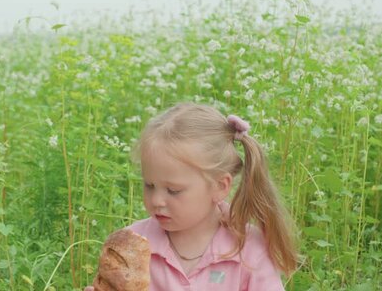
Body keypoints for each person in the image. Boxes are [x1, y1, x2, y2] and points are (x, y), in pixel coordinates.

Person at [86, 103, 297, 290]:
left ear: (219, 187)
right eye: (149, 185)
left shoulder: (249, 250)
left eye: (173, 191)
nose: (157, 200)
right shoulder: (131, 247)